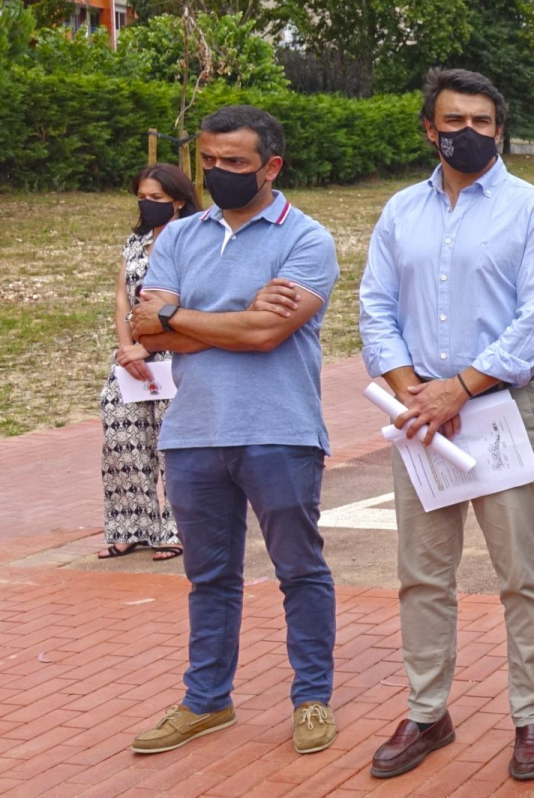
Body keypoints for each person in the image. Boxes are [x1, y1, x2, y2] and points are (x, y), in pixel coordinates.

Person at [351, 68, 534, 782]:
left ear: (499, 129)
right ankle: (427, 713)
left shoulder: (533, 210)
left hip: (498, 410)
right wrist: (410, 386)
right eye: (454, 121)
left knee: (521, 573)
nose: (468, 132)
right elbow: (375, 305)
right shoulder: (399, 213)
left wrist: (461, 387)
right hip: (418, 417)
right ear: (429, 129)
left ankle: (532, 717)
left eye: (482, 121)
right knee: (422, 572)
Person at [125, 105, 341, 757]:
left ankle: (311, 701)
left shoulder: (307, 239)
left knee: (299, 570)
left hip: (281, 430)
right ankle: (206, 701)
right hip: (192, 434)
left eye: (235, 163)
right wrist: (226, 320)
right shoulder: (180, 237)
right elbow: (144, 329)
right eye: (210, 162)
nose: (218, 172)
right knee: (209, 577)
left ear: (271, 166)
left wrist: (180, 316)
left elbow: (268, 332)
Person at [99, 163, 198, 562]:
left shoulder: (194, 239)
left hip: (176, 355)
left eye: (156, 198)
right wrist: (127, 349)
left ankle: (177, 530)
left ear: (178, 199)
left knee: (172, 445)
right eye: (142, 197)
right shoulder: (136, 241)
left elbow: (191, 298)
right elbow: (123, 297)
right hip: (131, 358)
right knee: (121, 439)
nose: (148, 204)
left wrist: (151, 346)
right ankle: (130, 528)